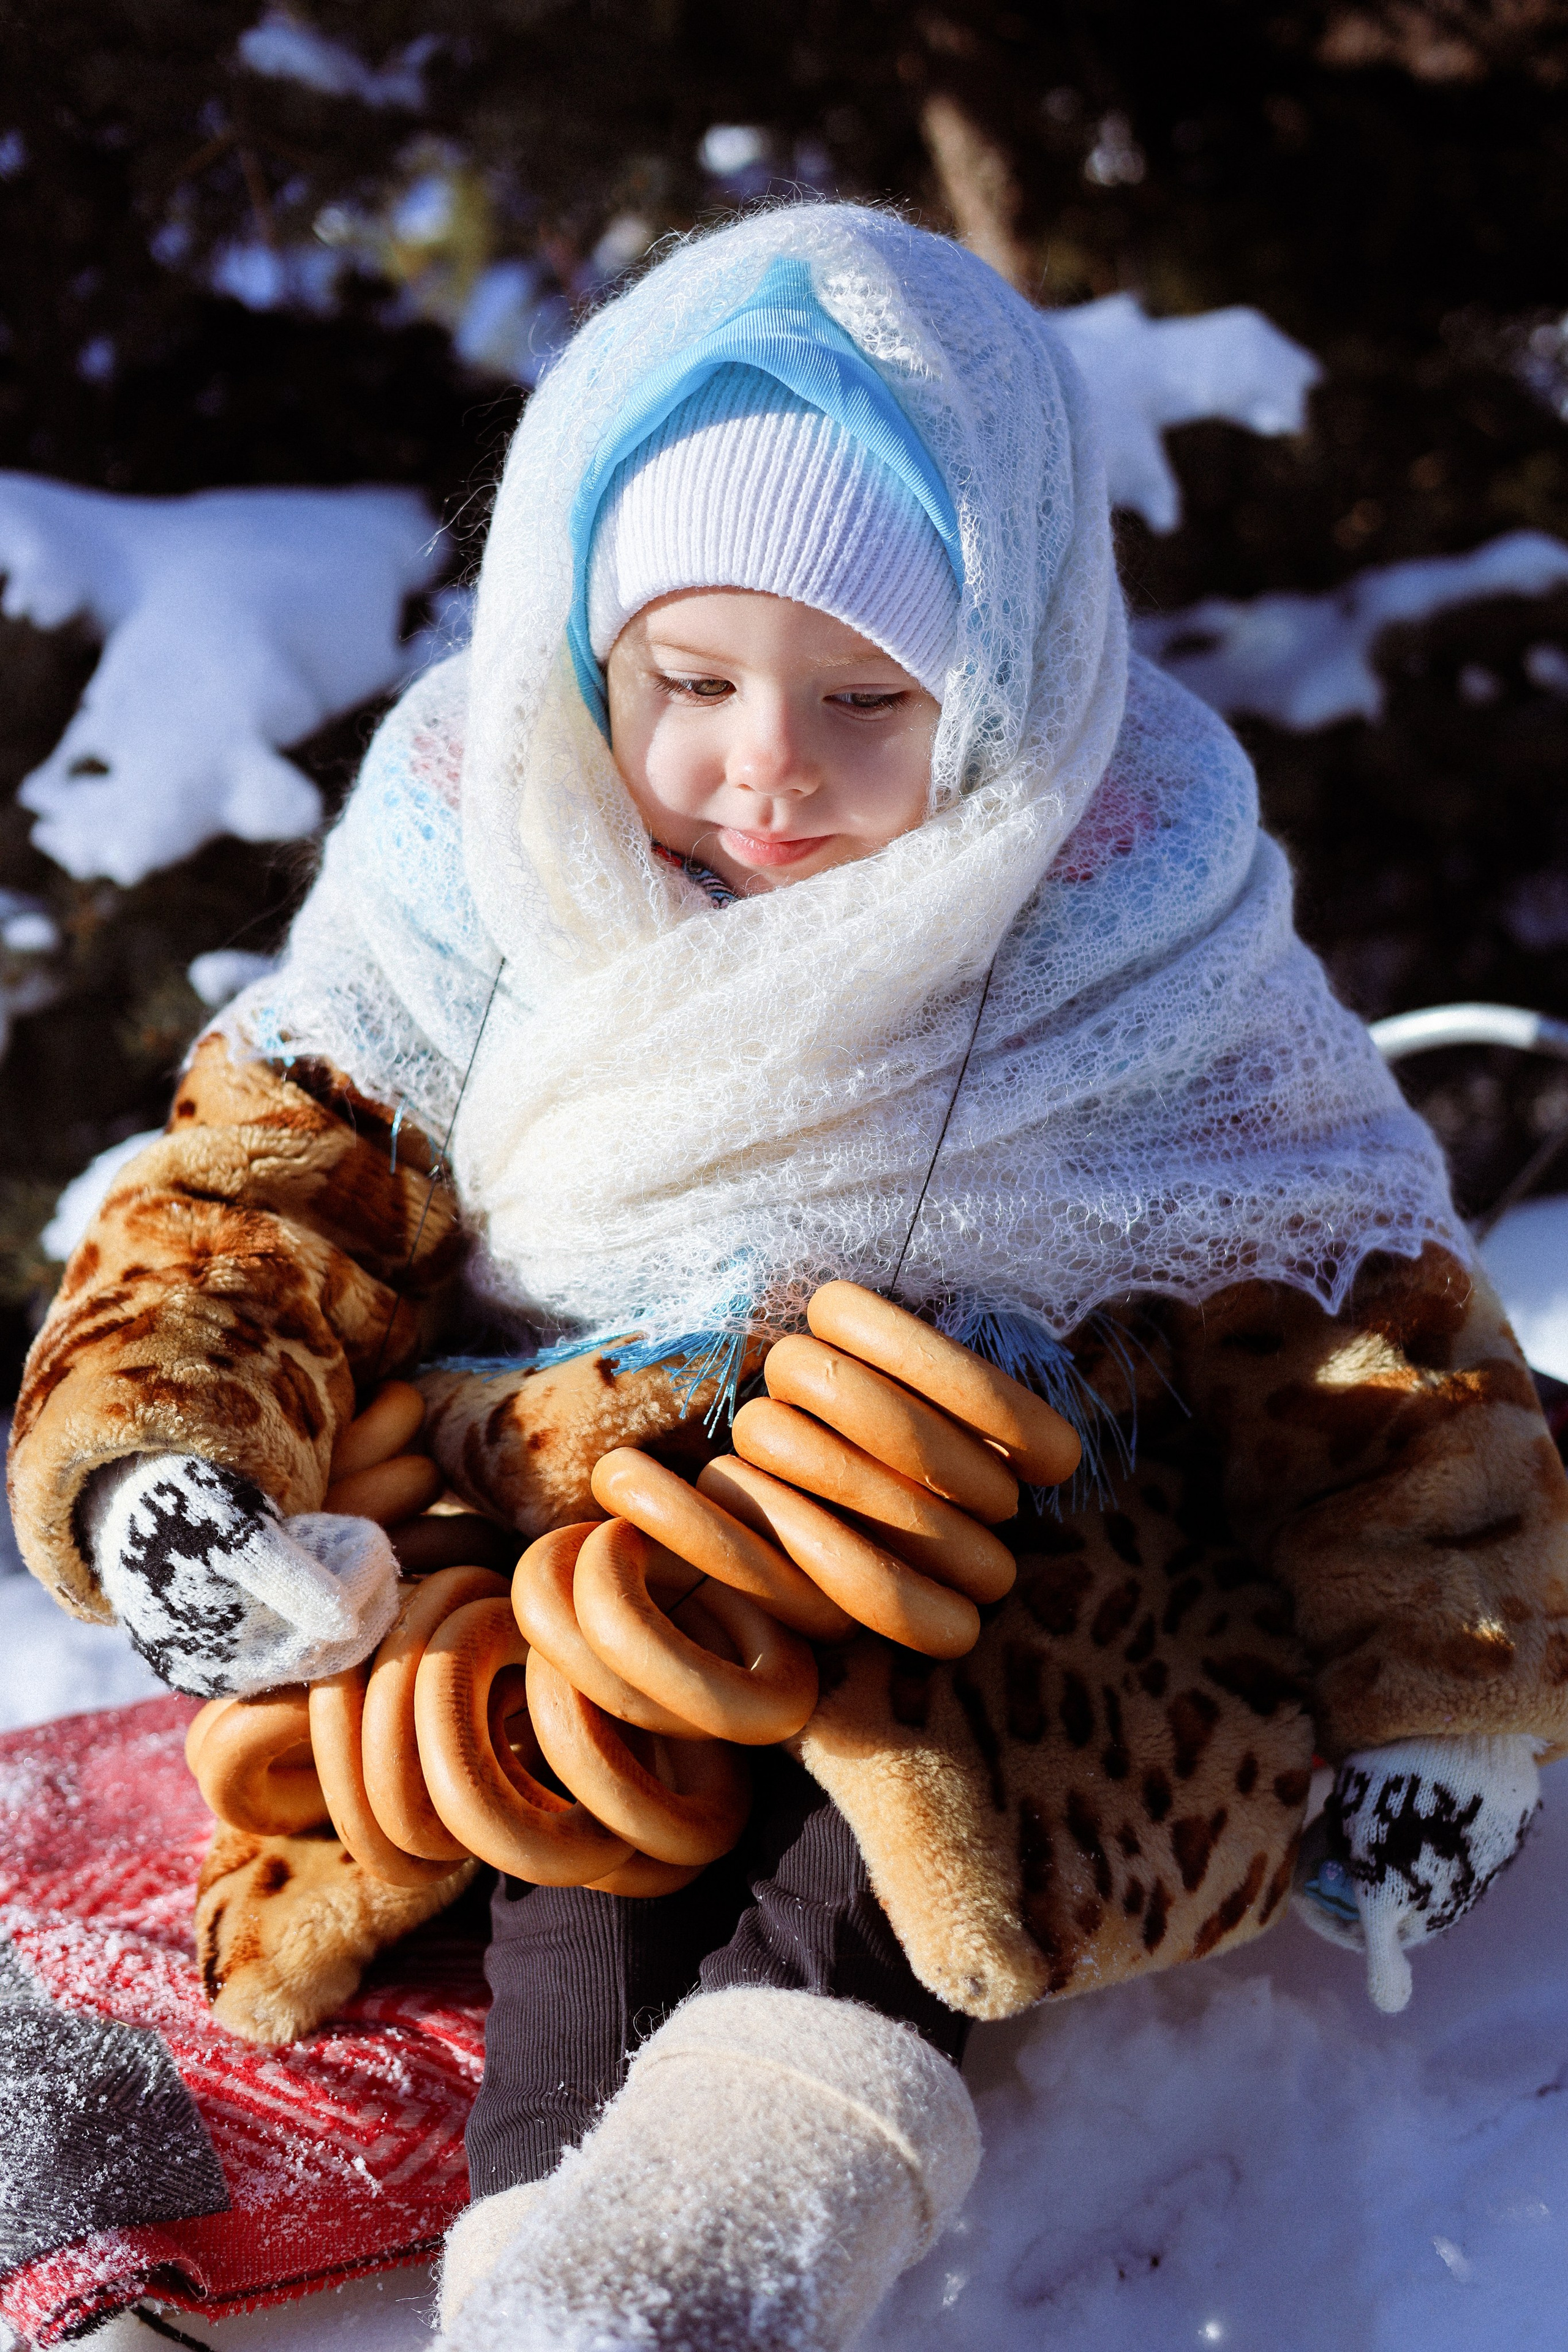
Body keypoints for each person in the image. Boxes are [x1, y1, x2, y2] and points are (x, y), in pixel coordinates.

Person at [10, 203, 1568, 2352]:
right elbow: (265, 1193)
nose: (769, 762)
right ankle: (570, 2261)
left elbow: (1371, 1334)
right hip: (585, 1566)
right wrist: (156, 1459)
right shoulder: (482, 841)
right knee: (608, 1785)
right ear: (582, 647)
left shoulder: (1133, 905)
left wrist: (1452, 1695)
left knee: (896, 1723)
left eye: (867, 693)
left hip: (1011, 1568)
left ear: (1008, 670)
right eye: (693, 681)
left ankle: (734, 2219)